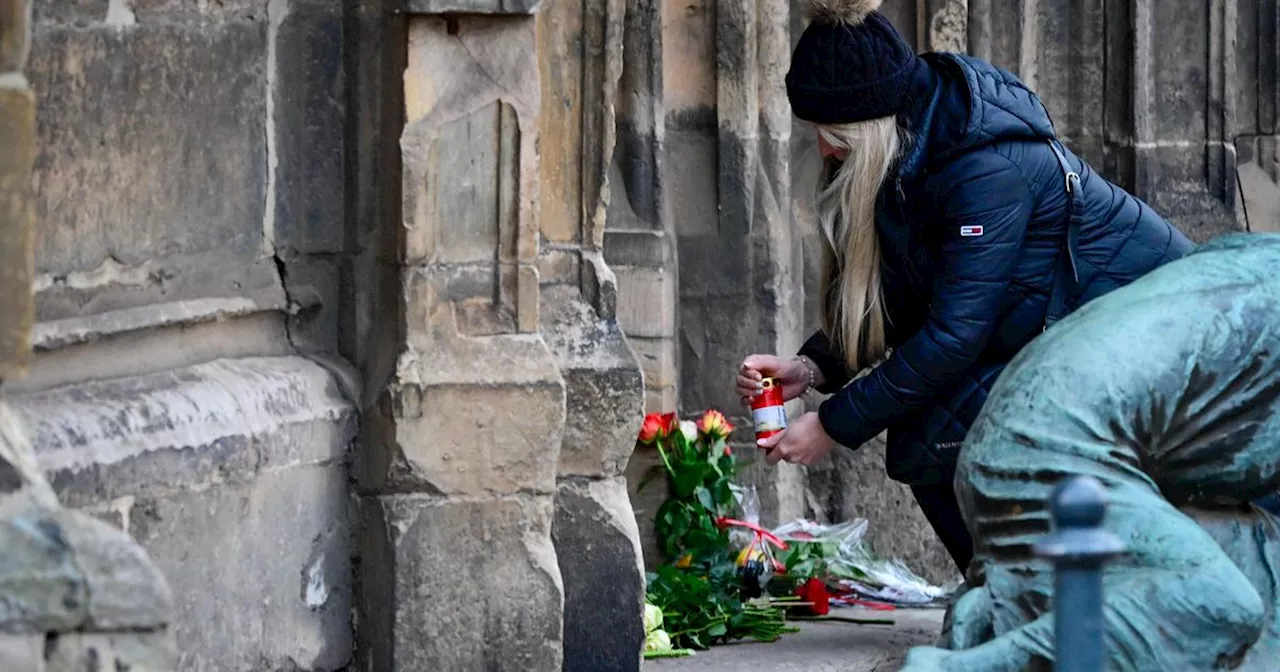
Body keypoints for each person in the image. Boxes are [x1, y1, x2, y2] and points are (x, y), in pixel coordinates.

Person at [734, 0, 1193, 574]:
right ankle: (1007, 596)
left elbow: (953, 334)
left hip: (1161, 344)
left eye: (834, 135)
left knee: (929, 436)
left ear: (872, 120)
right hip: (1066, 338)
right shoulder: (920, 143)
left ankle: (1011, 597)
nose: (826, 150)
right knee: (927, 434)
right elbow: (909, 293)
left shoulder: (984, 169)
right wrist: (813, 369)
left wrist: (831, 425)